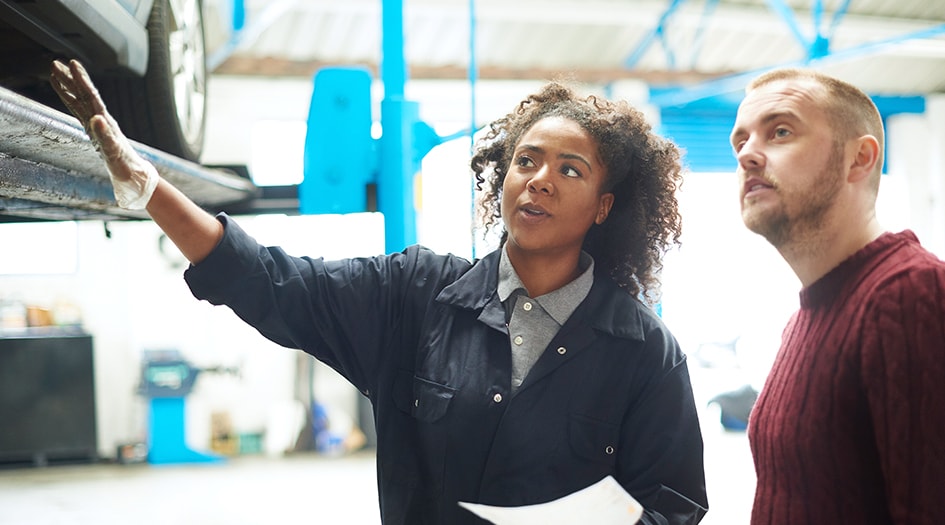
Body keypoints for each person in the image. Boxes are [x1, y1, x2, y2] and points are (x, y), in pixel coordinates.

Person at [50, 58, 708, 524]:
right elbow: (270, 281)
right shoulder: (416, 295)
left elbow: (673, 503)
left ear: (603, 206)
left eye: (569, 169)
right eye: (525, 160)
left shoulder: (643, 351)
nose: (537, 180)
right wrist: (141, 184)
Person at [730, 67, 945, 524]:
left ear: (860, 160)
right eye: (740, 142)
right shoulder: (807, 316)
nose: (748, 154)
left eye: (780, 131)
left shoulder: (910, 295)